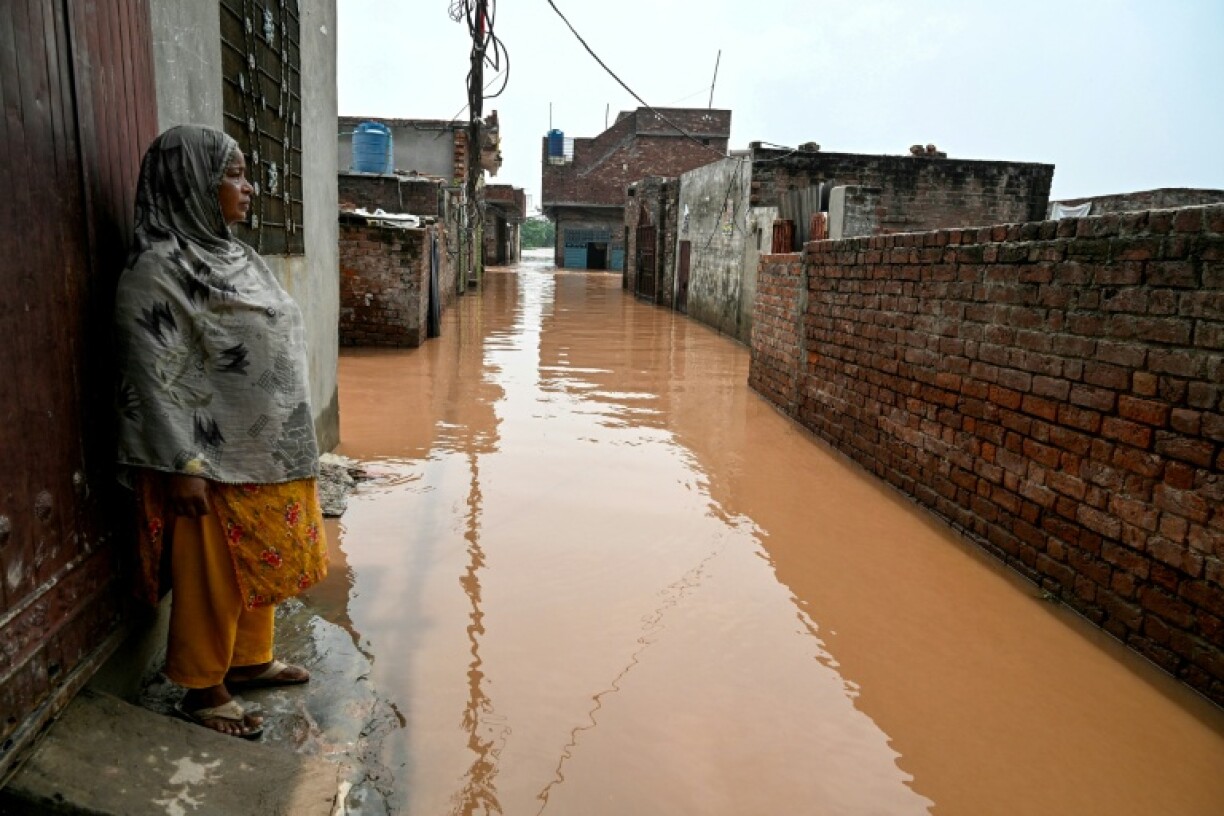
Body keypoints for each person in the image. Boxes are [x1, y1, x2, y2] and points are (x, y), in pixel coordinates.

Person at [114, 125, 328, 739]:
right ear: (191, 185)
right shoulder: (157, 269)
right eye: (232, 174)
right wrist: (181, 462)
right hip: (210, 457)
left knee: (259, 559)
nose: (249, 187)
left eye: (244, 173)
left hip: (270, 446)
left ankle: (249, 661)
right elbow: (147, 371)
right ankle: (203, 687)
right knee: (215, 570)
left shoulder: (239, 256)